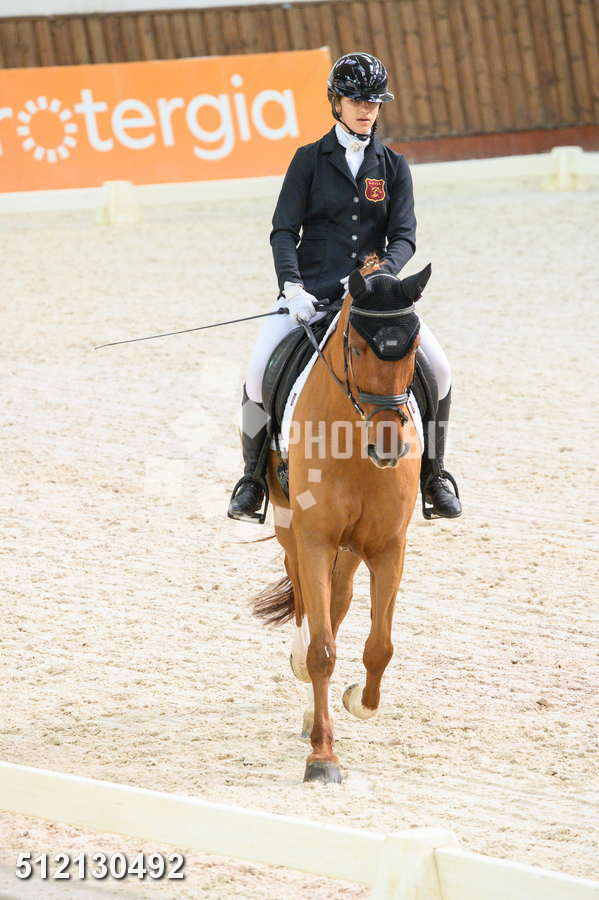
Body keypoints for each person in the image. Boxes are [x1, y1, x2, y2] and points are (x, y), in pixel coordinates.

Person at [228, 52, 461, 521]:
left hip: (374, 302)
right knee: (255, 376)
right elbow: (283, 231)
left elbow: (404, 236)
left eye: (373, 102)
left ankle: (434, 475)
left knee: (439, 369)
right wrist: (292, 287)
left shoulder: (393, 165)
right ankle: (252, 478)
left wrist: (380, 276)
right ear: (336, 103)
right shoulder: (309, 160)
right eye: (356, 101)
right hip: (310, 295)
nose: (366, 110)